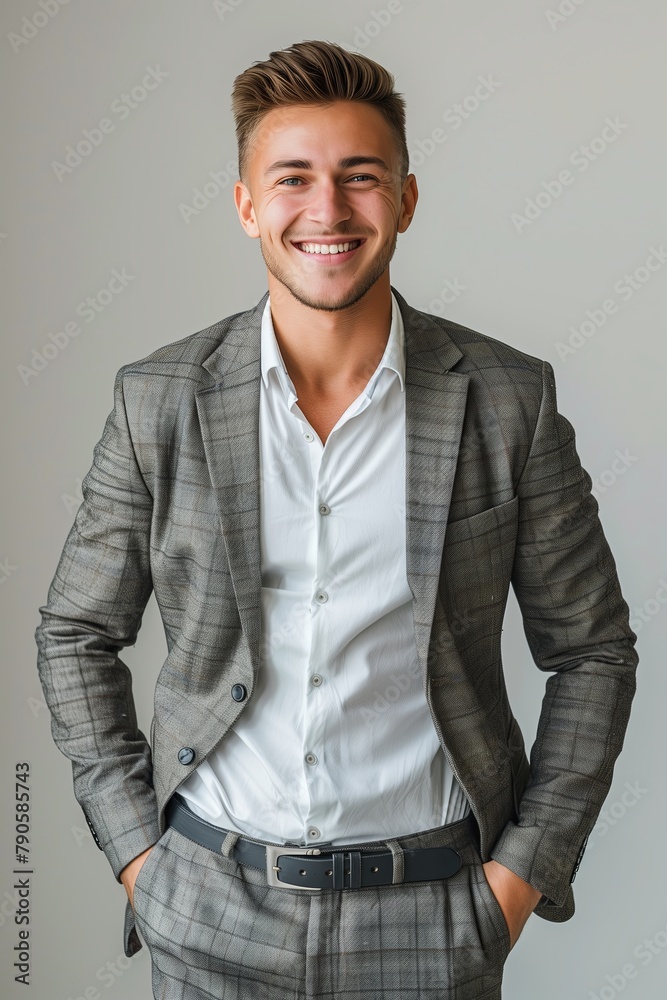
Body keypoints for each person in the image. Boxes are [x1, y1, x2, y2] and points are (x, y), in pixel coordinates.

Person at [35, 39, 638, 1000]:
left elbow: (594, 652)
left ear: (403, 199)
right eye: (293, 179)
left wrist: (516, 882)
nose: (327, 210)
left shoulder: (506, 400)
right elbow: (76, 632)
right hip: (207, 906)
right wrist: (140, 860)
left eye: (360, 178)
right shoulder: (158, 401)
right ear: (245, 205)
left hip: (433, 917)